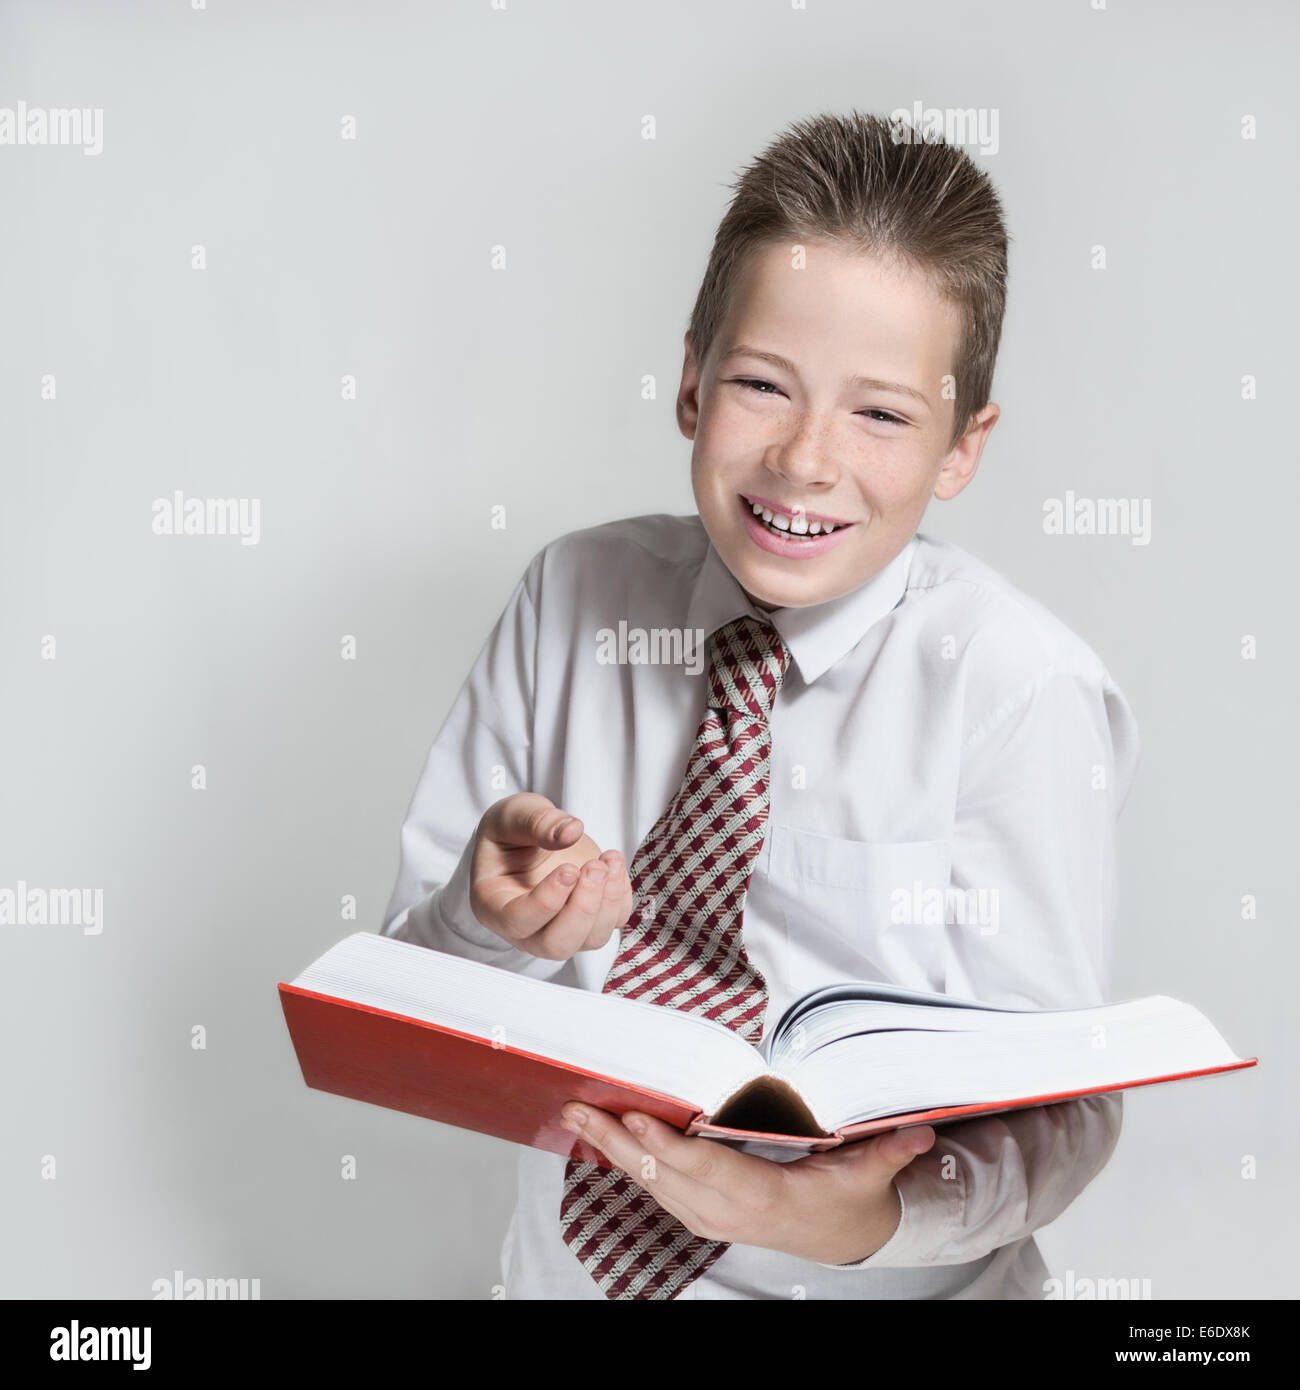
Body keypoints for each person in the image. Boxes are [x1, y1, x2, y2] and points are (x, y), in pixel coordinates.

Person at [381, 109, 1139, 1300]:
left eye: (880, 412)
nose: (803, 459)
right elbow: (403, 998)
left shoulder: (1014, 684)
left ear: (961, 447)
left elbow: (1064, 1108)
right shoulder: (571, 595)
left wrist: (846, 1216)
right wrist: (485, 926)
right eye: (761, 385)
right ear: (690, 381)